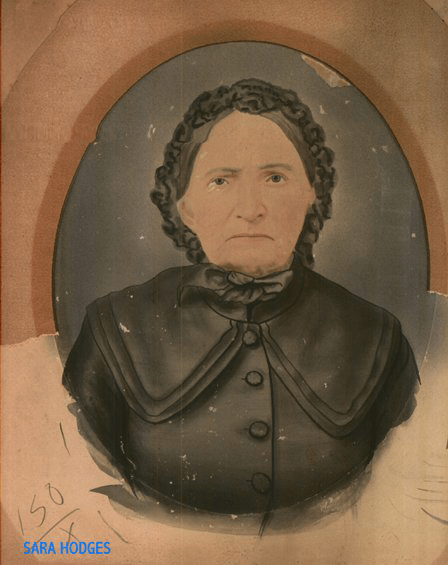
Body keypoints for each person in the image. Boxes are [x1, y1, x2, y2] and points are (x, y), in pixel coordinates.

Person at [63, 78, 419, 522]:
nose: (251, 209)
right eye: (221, 180)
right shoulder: (113, 328)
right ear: (185, 208)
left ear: (312, 193)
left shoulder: (378, 337)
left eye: (275, 177)